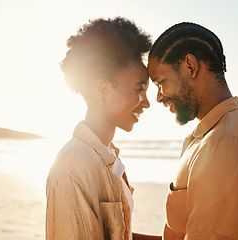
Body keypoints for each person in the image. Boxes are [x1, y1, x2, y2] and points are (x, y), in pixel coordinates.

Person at [147, 22, 238, 239]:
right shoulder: (214, 134)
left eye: (160, 82)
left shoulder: (228, 142)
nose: (159, 96)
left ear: (190, 66)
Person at [46, 17, 161, 240]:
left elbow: (118, 233)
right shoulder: (73, 167)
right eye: (140, 89)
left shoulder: (107, 154)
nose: (147, 102)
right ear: (101, 89)